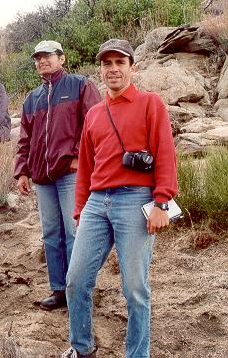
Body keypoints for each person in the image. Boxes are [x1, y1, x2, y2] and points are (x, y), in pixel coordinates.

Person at [62, 39, 178, 358]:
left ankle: (137, 354)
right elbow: (86, 166)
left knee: (135, 289)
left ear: (132, 67)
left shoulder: (151, 103)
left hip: (135, 199)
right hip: (97, 203)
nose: (113, 69)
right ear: (100, 69)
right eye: (107, 63)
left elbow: (166, 153)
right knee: (75, 280)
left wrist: (162, 202)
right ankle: (82, 348)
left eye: (119, 63)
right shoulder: (95, 114)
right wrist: (80, 209)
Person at [14, 40, 101, 311]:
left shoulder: (80, 85)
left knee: (75, 232)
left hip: (70, 172)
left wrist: (78, 157)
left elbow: (95, 124)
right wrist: (22, 172)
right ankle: (59, 290)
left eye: (47, 56)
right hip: (41, 177)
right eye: (38, 58)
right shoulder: (32, 99)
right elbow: (24, 140)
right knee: (51, 233)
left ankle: (80, 289)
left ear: (61, 59)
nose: (42, 61)